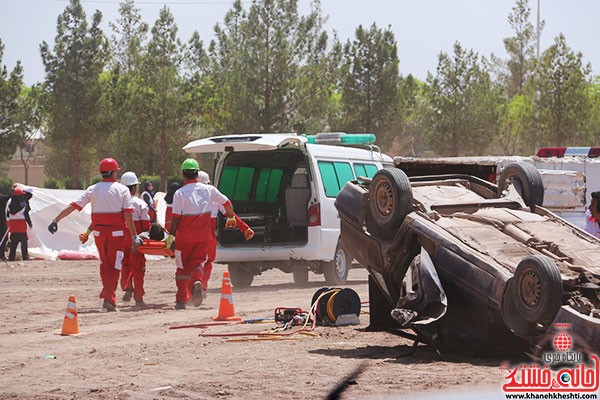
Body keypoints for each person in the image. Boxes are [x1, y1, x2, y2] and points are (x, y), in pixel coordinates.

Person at [48, 158, 139, 312]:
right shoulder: (122, 190)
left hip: (98, 234)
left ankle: (107, 293)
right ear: (114, 172)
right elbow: (128, 215)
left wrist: (56, 219)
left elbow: (74, 206)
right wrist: (134, 236)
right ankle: (109, 297)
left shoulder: (93, 189)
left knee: (105, 264)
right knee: (114, 265)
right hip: (117, 234)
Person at [168, 158, 237, 310]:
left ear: (183, 174)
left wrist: (171, 237)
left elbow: (175, 218)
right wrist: (231, 217)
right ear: (197, 173)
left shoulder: (179, 193)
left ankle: (181, 300)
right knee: (198, 263)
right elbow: (227, 204)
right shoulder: (209, 190)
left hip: (184, 238)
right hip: (204, 237)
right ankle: (197, 283)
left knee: (182, 267)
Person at [198, 171, 254, 292]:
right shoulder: (213, 195)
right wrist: (244, 228)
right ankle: (202, 287)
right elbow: (230, 213)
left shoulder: (184, 193)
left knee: (190, 263)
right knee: (207, 262)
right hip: (208, 235)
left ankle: (188, 291)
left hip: (189, 234)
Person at [119, 171, 151, 307]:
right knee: (138, 268)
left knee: (124, 266)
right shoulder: (140, 203)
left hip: (121, 240)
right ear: (134, 187)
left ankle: (127, 287)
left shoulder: (117, 203)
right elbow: (146, 224)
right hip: (135, 240)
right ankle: (138, 297)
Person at [7, 187, 32, 261]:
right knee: (24, 242)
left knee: (13, 243)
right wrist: (30, 223)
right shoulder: (23, 204)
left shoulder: (9, 202)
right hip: (21, 225)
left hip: (13, 225)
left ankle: (11, 258)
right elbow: (26, 214)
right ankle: (25, 256)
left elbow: (8, 213)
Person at [0, 190, 12, 260]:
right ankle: (1, 254)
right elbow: (8, 197)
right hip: (1, 221)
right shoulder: (1, 197)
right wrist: (12, 191)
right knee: (3, 237)